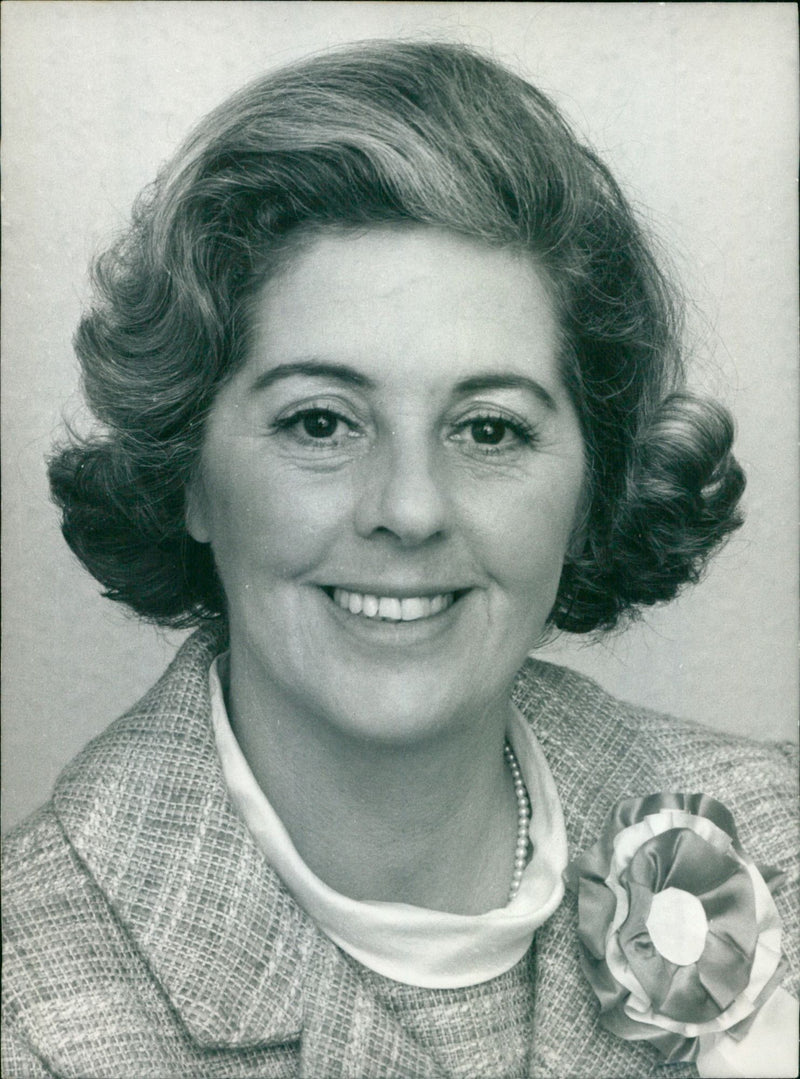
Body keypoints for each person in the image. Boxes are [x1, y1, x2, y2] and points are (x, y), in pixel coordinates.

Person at [2, 40, 796, 1079]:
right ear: (187, 471)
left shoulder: (775, 828)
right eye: (321, 420)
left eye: (490, 429)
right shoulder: (30, 1005)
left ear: (593, 481)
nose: (409, 507)